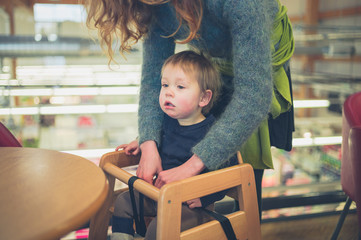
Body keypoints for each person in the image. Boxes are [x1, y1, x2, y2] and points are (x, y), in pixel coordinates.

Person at [86, 0, 294, 220]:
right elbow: (154, 80)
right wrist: (149, 140)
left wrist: (189, 167)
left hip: (261, 70)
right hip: (213, 70)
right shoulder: (154, 8)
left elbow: (254, 95)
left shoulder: (240, 3)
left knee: (246, 176)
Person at [112, 50, 237, 240]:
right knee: (122, 202)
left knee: (158, 226)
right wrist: (141, 141)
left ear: (203, 98)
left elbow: (229, 175)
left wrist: (204, 198)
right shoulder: (165, 120)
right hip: (158, 193)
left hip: (191, 207)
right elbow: (155, 135)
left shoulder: (214, 135)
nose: (168, 92)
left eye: (180, 86)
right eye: (165, 85)